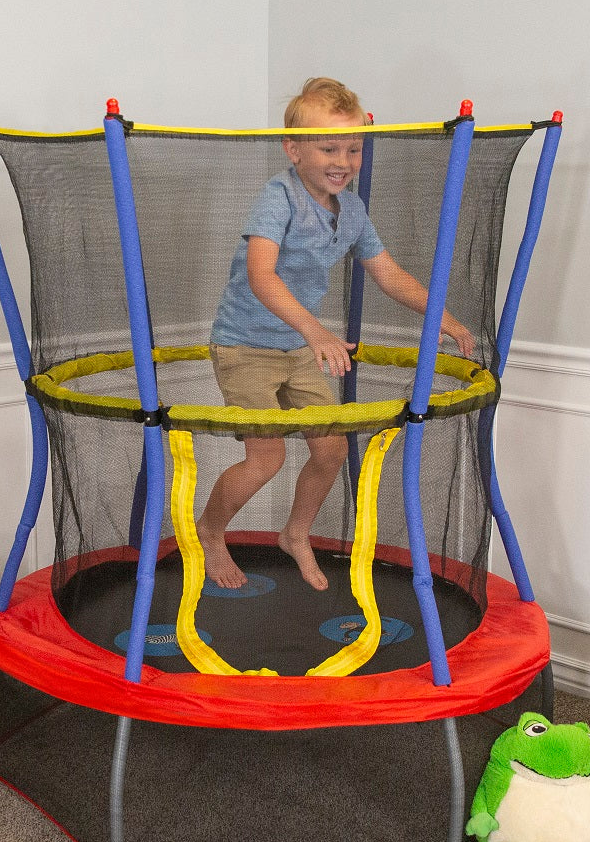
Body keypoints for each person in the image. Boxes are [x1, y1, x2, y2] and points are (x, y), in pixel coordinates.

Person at [197, 77, 475, 591]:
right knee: (268, 456)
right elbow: (262, 276)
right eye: (328, 147)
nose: (342, 160)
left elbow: (387, 272)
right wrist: (314, 330)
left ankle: (295, 534)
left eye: (353, 148)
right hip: (245, 346)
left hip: (301, 348)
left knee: (330, 450)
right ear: (294, 148)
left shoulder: (353, 212)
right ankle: (210, 532)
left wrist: (443, 317)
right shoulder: (277, 196)